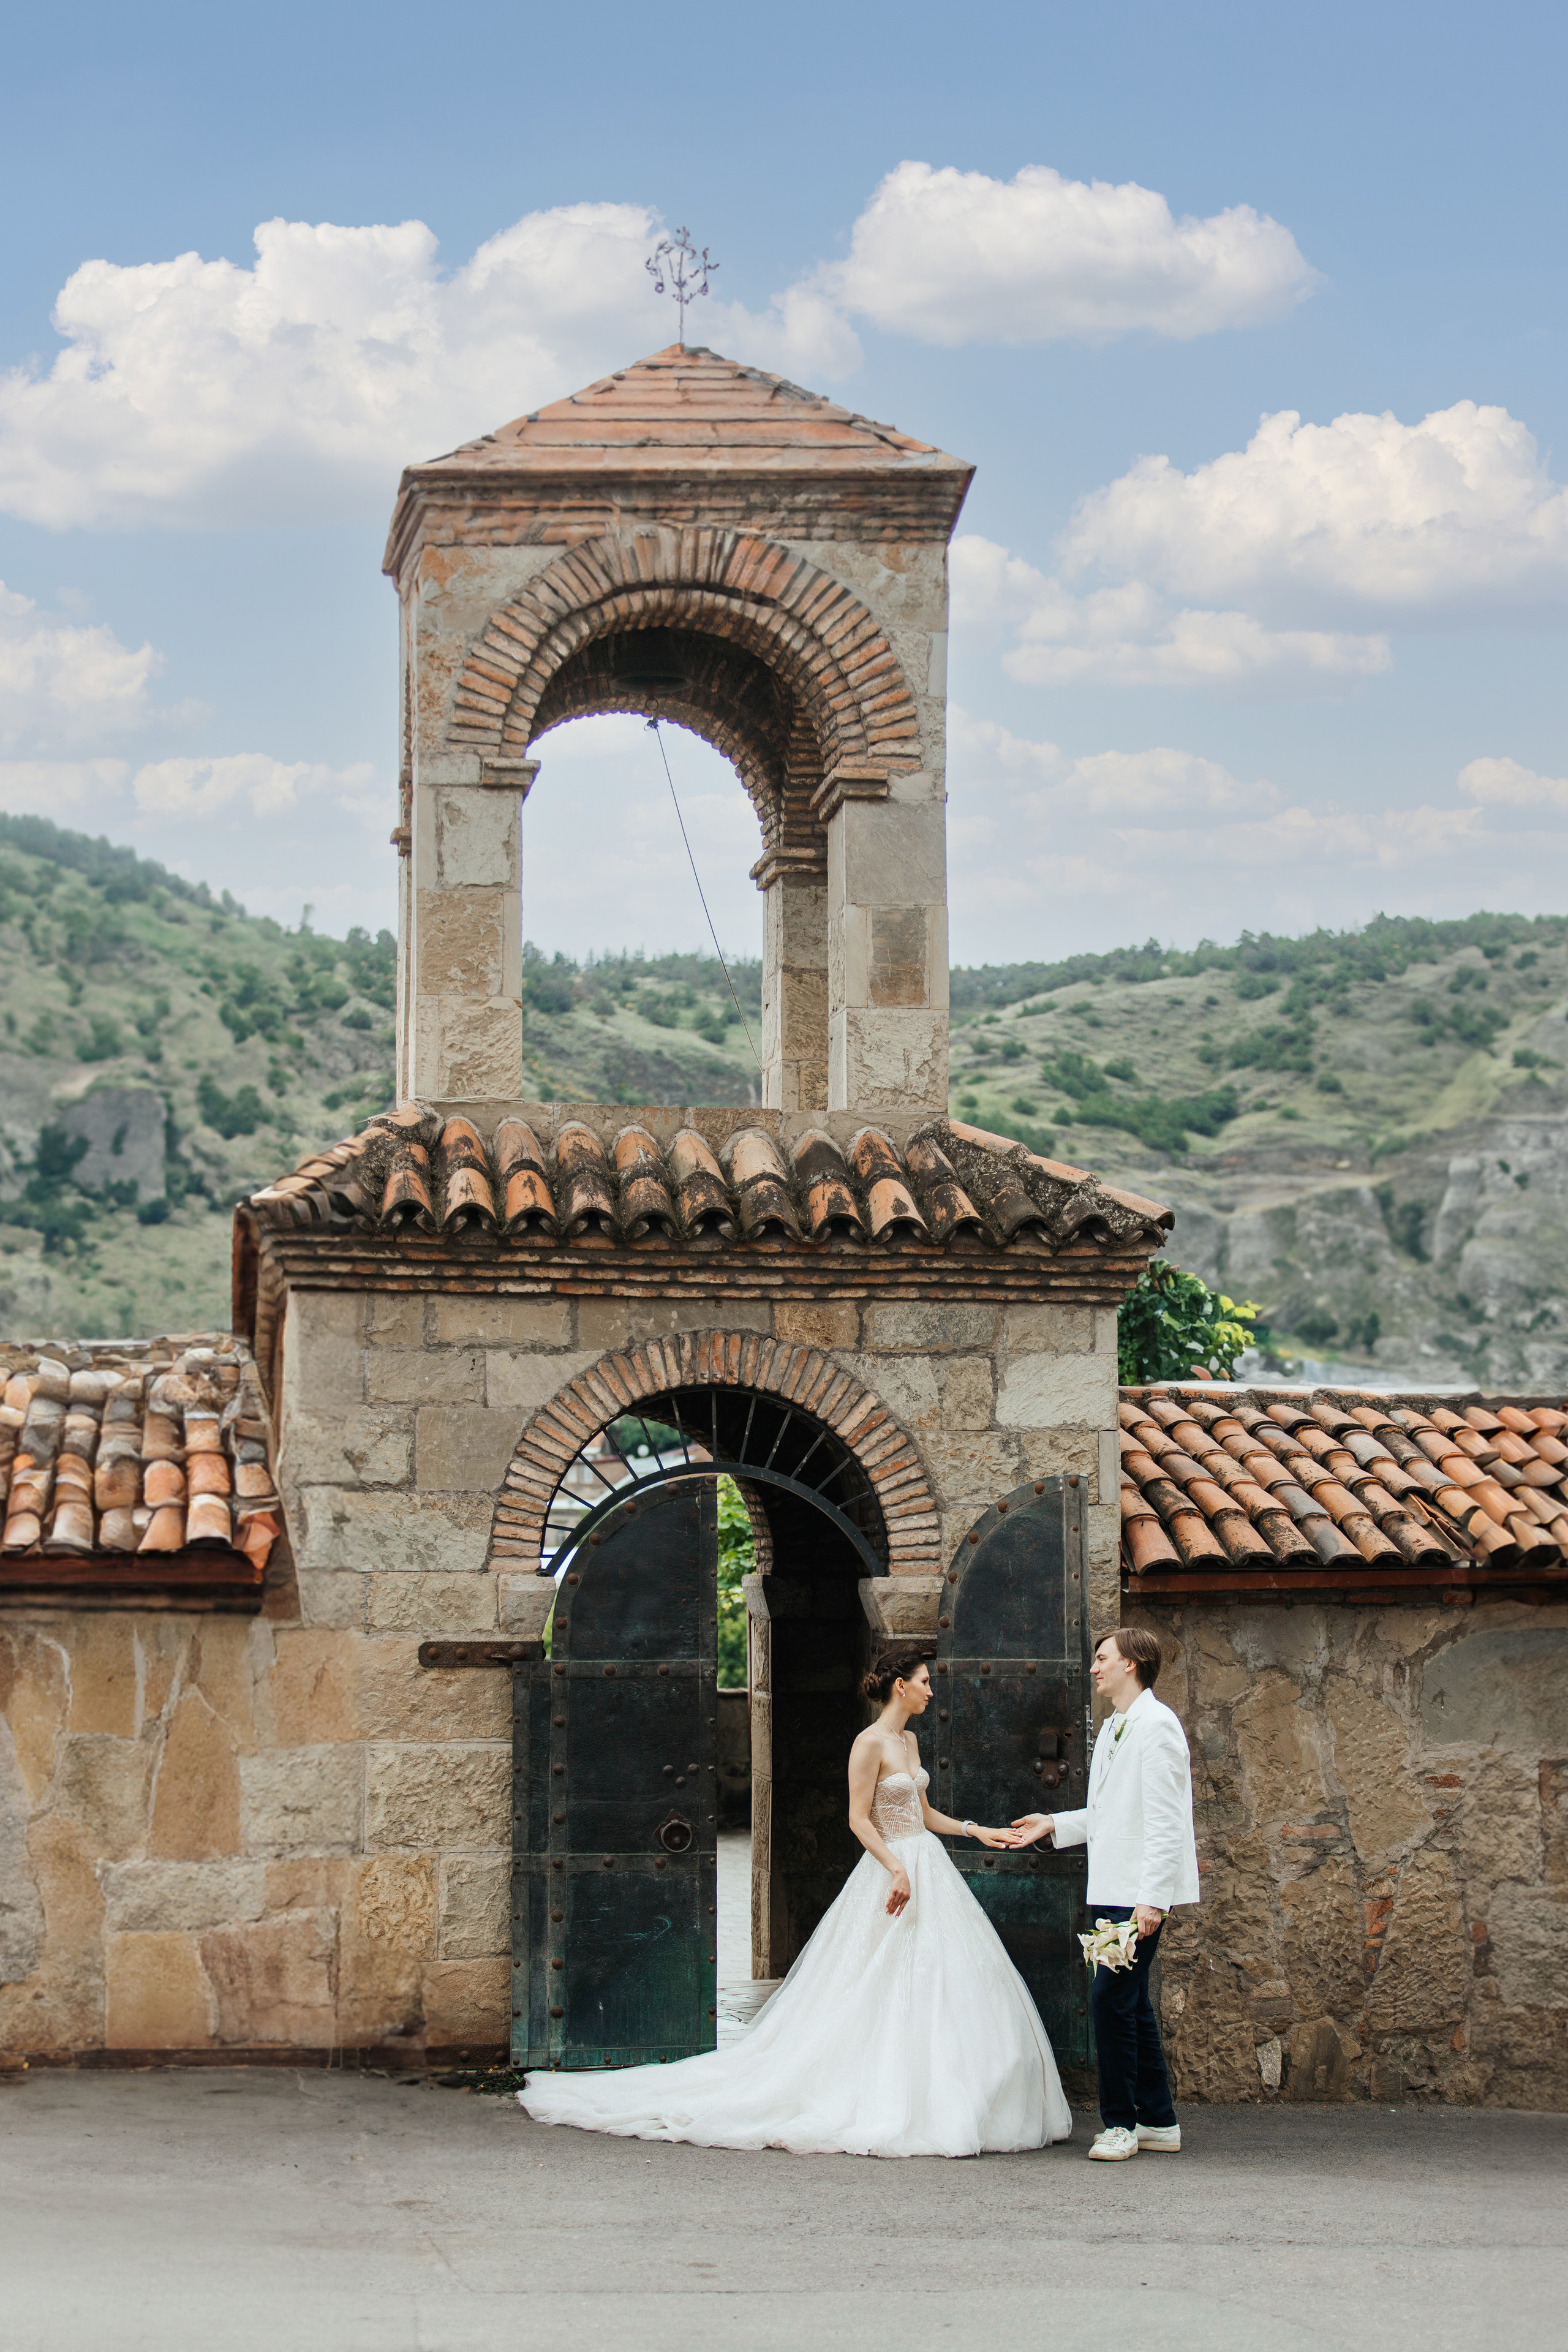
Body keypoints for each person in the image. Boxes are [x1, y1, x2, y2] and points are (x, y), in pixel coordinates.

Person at [517, 1642, 1074, 2157]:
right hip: (893, 1869)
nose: (933, 1690)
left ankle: (943, 2091)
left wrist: (976, 1830)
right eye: (925, 1681)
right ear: (900, 1686)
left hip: (926, 1862)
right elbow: (859, 1819)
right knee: (873, 1981)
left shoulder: (909, 1742)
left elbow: (922, 1815)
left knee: (942, 1979)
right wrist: (895, 1867)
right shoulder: (869, 1743)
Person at [1012, 1626, 1199, 2162]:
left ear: (1132, 1665)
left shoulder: (1158, 1727)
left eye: (1102, 1659)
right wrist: (1053, 1823)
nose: (1094, 1668)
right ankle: (1158, 2122)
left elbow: (1166, 1822)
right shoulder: (1118, 1724)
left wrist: (1154, 1899)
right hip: (1112, 1888)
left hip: (1136, 1895)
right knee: (1131, 2004)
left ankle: (1120, 2126)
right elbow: (1110, 1814)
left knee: (1109, 2003)